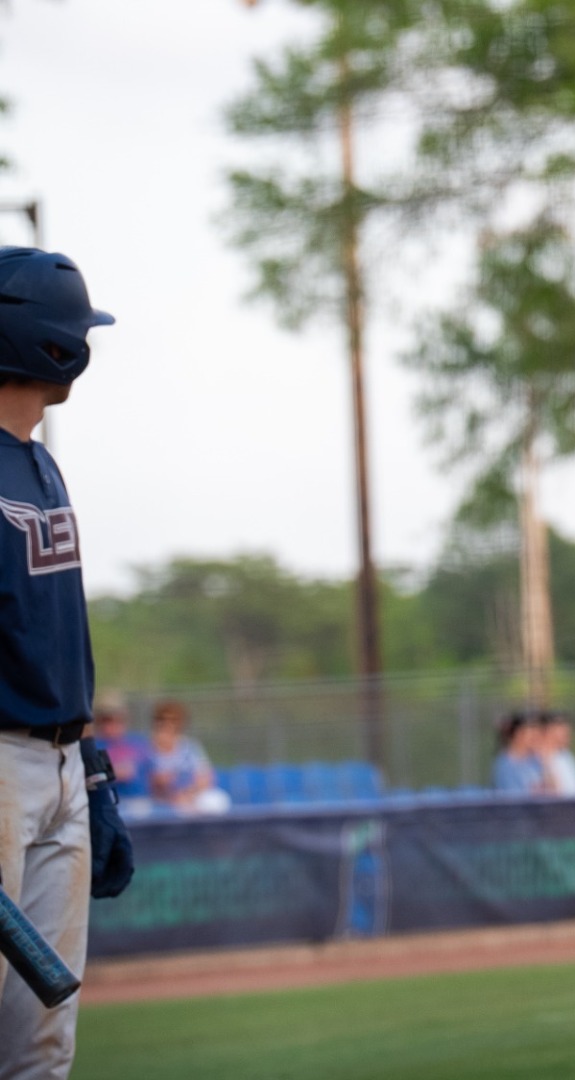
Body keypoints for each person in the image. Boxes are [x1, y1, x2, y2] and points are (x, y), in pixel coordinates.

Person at [0, 247, 132, 1078]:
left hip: (53, 768)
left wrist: (86, 764)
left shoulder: (41, 459)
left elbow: (54, 629)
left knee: (44, 1040)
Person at [144, 700, 230, 814]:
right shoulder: (147, 749)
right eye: (162, 720)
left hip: (191, 796)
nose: (168, 725)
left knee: (217, 800)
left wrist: (189, 793)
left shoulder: (190, 747)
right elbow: (151, 781)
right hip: (162, 800)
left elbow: (206, 776)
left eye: (173, 720)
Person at [91, 692, 153, 800]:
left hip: (140, 804)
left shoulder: (139, 743)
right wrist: (113, 772)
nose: (112, 725)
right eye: (106, 719)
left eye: (118, 719)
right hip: (108, 803)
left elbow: (153, 771)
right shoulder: (93, 746)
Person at [538, 710, 575, 796]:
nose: (568, 732)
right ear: (548, 730)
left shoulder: (566, 756)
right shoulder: (535, 760)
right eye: (561, 727)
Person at [491, 712, 546, 794]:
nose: (535, 739)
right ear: (518, 734)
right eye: (531, 734)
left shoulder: (534, 761)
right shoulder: (506, 765)